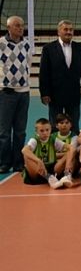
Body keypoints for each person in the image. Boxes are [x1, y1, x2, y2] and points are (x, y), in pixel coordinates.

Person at [39, 20, 81, 130]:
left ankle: (74, 142)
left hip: (73, 94)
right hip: (55, 95)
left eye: (71, 30)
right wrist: (44, 93)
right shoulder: (48, 48)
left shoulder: (80, 49)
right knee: (55, 125)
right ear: (58, 32)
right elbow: (44, 72)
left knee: (74, 125)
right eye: (65, 29)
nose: (68, 32)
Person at [0, 16, 32, 174]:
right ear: (9, 28)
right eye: (17, 25)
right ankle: (4, 163)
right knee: (4, 131)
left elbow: (28, 63)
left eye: (22, 25)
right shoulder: (1, 43)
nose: (20, 28)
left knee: (20, 131)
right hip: (6, 93)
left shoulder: (27, 44)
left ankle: (18, 162)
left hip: (24, 92)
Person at [21, 118, 76, 189]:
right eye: (42, 131)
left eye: (47, 130)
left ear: (50, 130)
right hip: (38, 171)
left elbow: (71, 148)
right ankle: (49, 178)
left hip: (52, 169)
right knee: (26, 156)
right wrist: (39, 161)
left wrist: (68, 164)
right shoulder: (34, 140)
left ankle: (67, 175)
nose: (45, 133)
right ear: (36, 132)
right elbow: (24, 150)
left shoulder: (53, 139)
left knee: (70, 152)